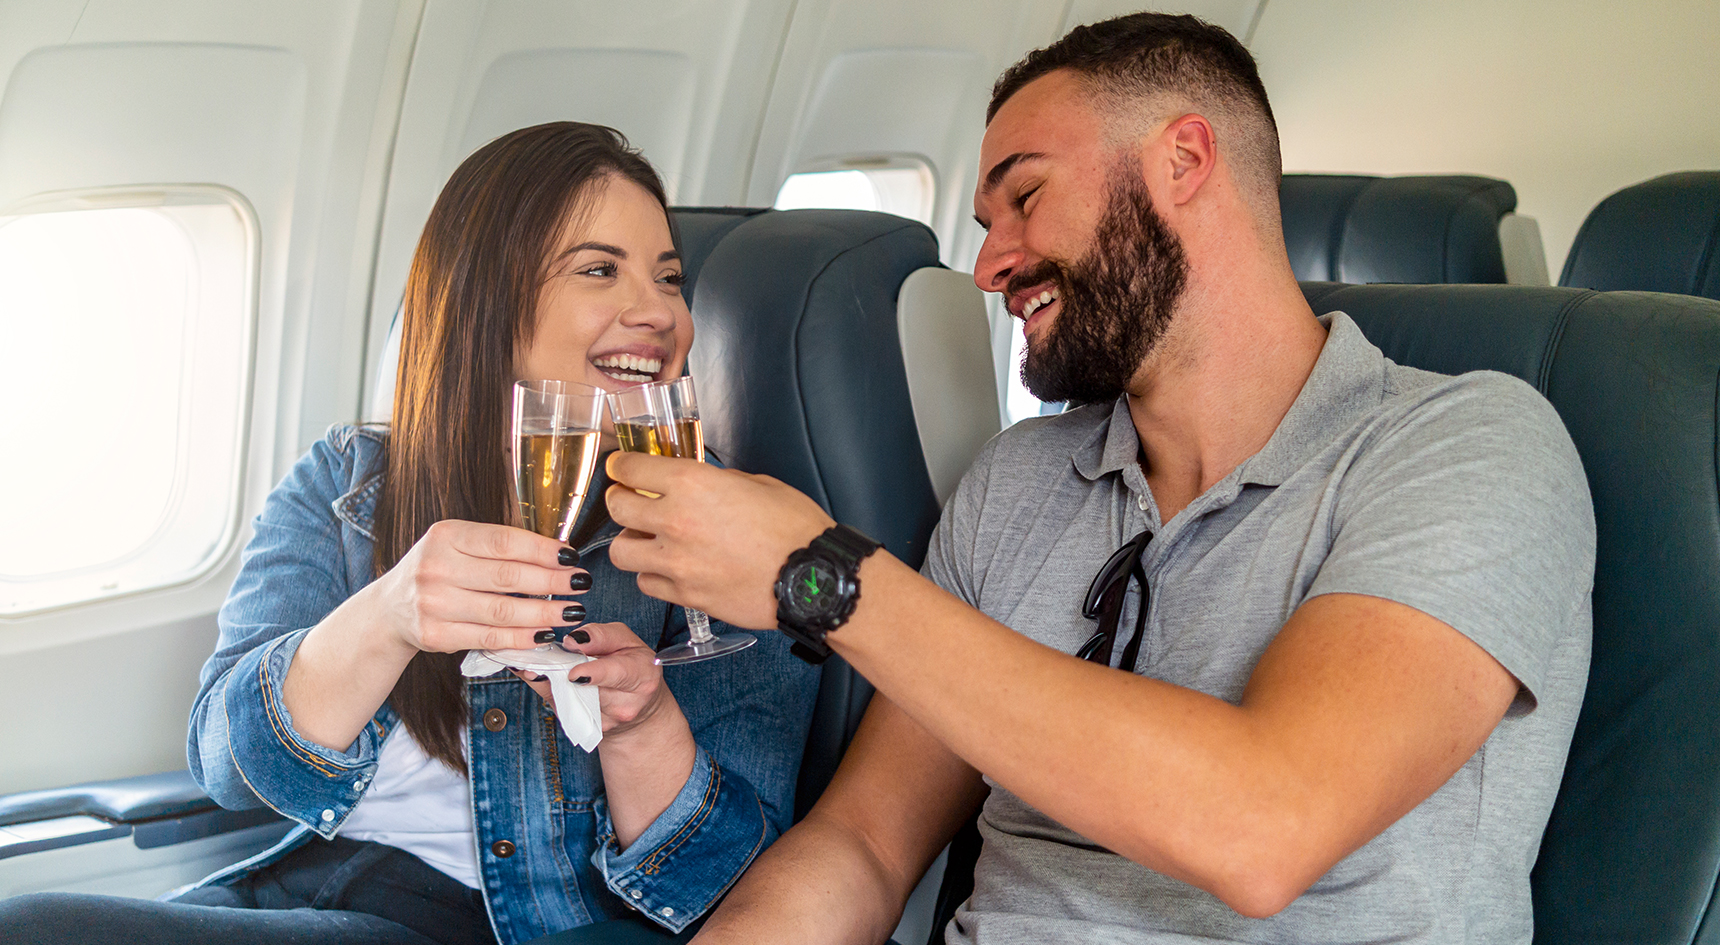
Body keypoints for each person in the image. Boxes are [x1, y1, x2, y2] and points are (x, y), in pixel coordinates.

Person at [600, 13, 1594, 945]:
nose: (989, 266)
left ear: (1183, 161)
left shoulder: (1468, 445)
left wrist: (819, 576)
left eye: (1026, 197)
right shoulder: (1019, 481)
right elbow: (864, 843)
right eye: (983, 220)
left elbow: (1266, 825)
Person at [0, 122, 818, 945]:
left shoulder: (729, 532)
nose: (660, 311)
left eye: (670, 278)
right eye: (600, 270)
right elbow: (229, 767)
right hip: (294, 890)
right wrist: (388, 615)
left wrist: (641, 728)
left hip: (489, 922)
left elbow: (735, 897)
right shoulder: (349, 480)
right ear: (487, 302)